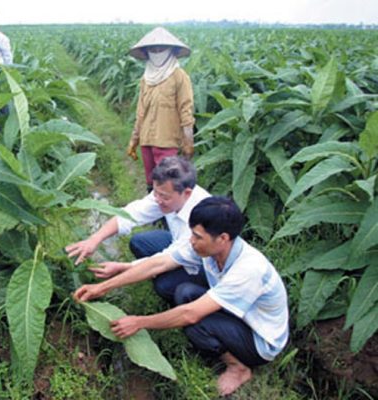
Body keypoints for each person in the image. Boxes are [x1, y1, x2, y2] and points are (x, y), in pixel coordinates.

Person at [74, 197, 289, 397]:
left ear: (223, 238)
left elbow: (190, 314)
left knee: (194, 322)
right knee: (184, 293)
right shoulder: (209, 248)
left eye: (197, 236)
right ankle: (224, 343)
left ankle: (238, 367)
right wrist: (102, 287)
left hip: (259, 339)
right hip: (240, 315)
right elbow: (158, 263)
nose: (191, 241)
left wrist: (139, 322)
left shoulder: (248, 270)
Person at [66, 156, 210, 302]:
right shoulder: (167, 193)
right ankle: (148, 273)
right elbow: (131, 213)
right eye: (155, 193)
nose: (158, 200)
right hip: (178, 245)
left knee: (165, 285)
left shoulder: (201, 221)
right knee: (140, 242)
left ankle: (197, 302)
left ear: (186, 193)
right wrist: (94, 240)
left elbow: (164, 261)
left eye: (164, 197)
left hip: (203, 266)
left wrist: (108, 282)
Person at [127, 27, 196, 193]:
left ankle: (167, 218)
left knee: (167, 183)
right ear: (147, 52)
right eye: (152, 49)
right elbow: (141, 111)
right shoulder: (146, 78)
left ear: (171, 50)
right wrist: (134, 140)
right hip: (146, 139)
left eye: (161, 49)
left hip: (167, 141)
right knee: (151, 181)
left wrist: (188, 141)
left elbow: (186, 110)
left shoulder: (179, 76)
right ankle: (155, 216)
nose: (157, 52)